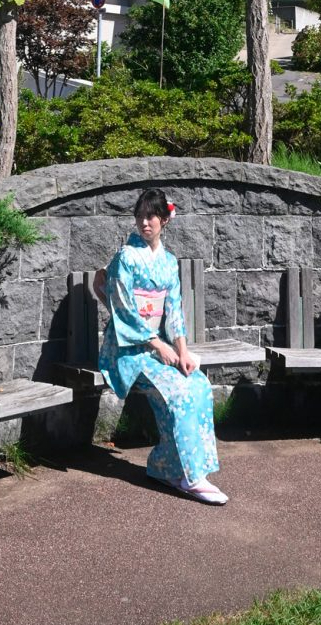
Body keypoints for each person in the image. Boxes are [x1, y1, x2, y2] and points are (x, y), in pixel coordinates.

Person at [98, 188, 228, 505]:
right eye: (140, 216)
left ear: (165, 220)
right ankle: (189, 477)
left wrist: (182, 351)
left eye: (151, 216)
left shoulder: (169, 263)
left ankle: (169, 467)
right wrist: (158, 345)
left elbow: (174, 312)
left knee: (199, 384)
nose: (144, 222)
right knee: (180, 394)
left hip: (158, 347)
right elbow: (124, 309)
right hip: (127, 350)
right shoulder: (126, 258)